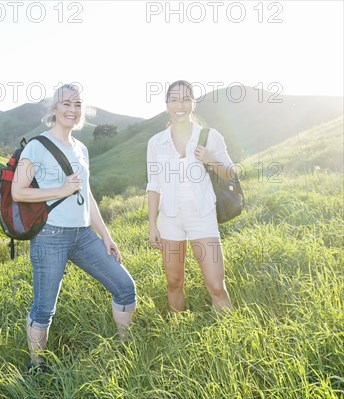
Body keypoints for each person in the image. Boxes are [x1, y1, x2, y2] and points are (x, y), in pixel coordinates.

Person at [12, 84, 137, 371]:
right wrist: (59, 189)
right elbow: (19, 192)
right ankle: (37, 368)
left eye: (77, 104)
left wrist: (106, 235)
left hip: (83, 235)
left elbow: (87, 194)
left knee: (124, 287)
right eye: (65, 104)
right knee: (44, 309)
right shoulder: (37, 146)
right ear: (53, 109)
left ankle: (125, 349)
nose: (72, 109)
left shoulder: (81, 148)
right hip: (50, 236)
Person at [146, 80, 233, 313]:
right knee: (174, 283)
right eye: (174, 99)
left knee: (216, 285)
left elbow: (229, 172)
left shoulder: (209, 136)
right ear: (167, 105)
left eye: (185, 99)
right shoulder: (156, 142)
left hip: (202, 215)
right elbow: (153, 185)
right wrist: (152, 225)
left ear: (193, 103)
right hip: (170, 219)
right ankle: (178, 334)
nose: (180, 104)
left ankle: (232, 336)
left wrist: (210, 159)